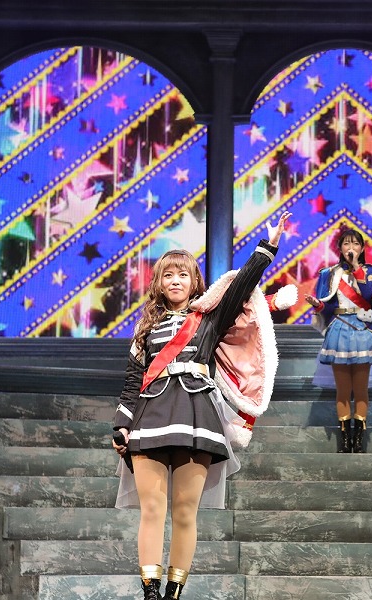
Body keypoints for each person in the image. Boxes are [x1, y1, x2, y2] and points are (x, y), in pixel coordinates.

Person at [112, 211, 292, 600]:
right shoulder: (145, 331)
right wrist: (122, 424)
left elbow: (241, 286)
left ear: (195, 282)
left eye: (183, 274)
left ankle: (174, 593)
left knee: (183, 512)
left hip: (196, 419)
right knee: (151, 510)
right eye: (168, 275)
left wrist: (269, 246)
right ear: (159, 284)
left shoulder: (208, 321)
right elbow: (132, 381)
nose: (175, 281)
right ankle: (149, 591)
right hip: (149, 418)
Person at [305, 228, 372, 453]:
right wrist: (318, 305)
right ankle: (344, 438)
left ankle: (358, 439)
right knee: (342, 389)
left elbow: (367, 294)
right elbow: (328, 306)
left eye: (355, 244)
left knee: (360, 389)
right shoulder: (330, 273)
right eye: (346, 244)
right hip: (339, 328)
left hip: (363, 330)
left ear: (362, 248)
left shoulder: (370, 271)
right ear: (339, 248)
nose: (351, 248)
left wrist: (356, 266)